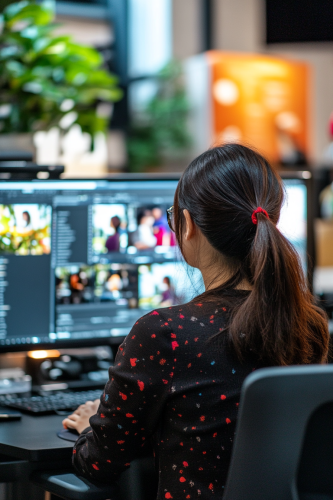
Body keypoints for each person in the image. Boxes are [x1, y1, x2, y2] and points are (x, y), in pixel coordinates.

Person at [63, 144, 329, 499]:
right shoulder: (308, 325)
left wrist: (89, 428)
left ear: (186, 224)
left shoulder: (164, 334)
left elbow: (99, 462)